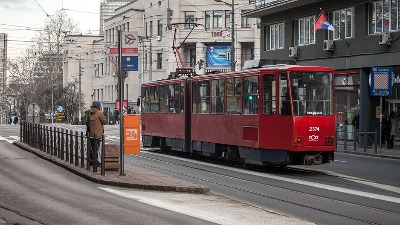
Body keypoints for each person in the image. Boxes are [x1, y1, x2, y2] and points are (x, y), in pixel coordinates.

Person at [87, 101, 107, 166]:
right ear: (98, 106)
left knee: (91, 147)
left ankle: (90, 161)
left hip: (91, 133)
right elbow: (104, 122)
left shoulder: (90, 113)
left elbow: (87, 123)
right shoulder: (99, 113)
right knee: (96, 148)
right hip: (98, 134)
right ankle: (95, 161)